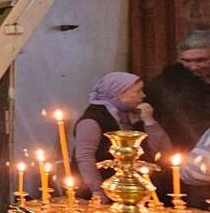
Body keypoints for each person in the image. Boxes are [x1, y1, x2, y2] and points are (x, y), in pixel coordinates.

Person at [73, 72, 171, 200]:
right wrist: (97, 190)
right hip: (105, 191)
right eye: (137, 91)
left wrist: (149, 122)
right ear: (118, 93)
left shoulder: (133, 115)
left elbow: (164, 149)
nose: (143, 95)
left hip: (133, 190)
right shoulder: (92, 120)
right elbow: (85, 158)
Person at [145, 30, 210, 152]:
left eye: (200, 60)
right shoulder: (166, 84)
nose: (193, 67)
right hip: (180, 150)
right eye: (186, 61)